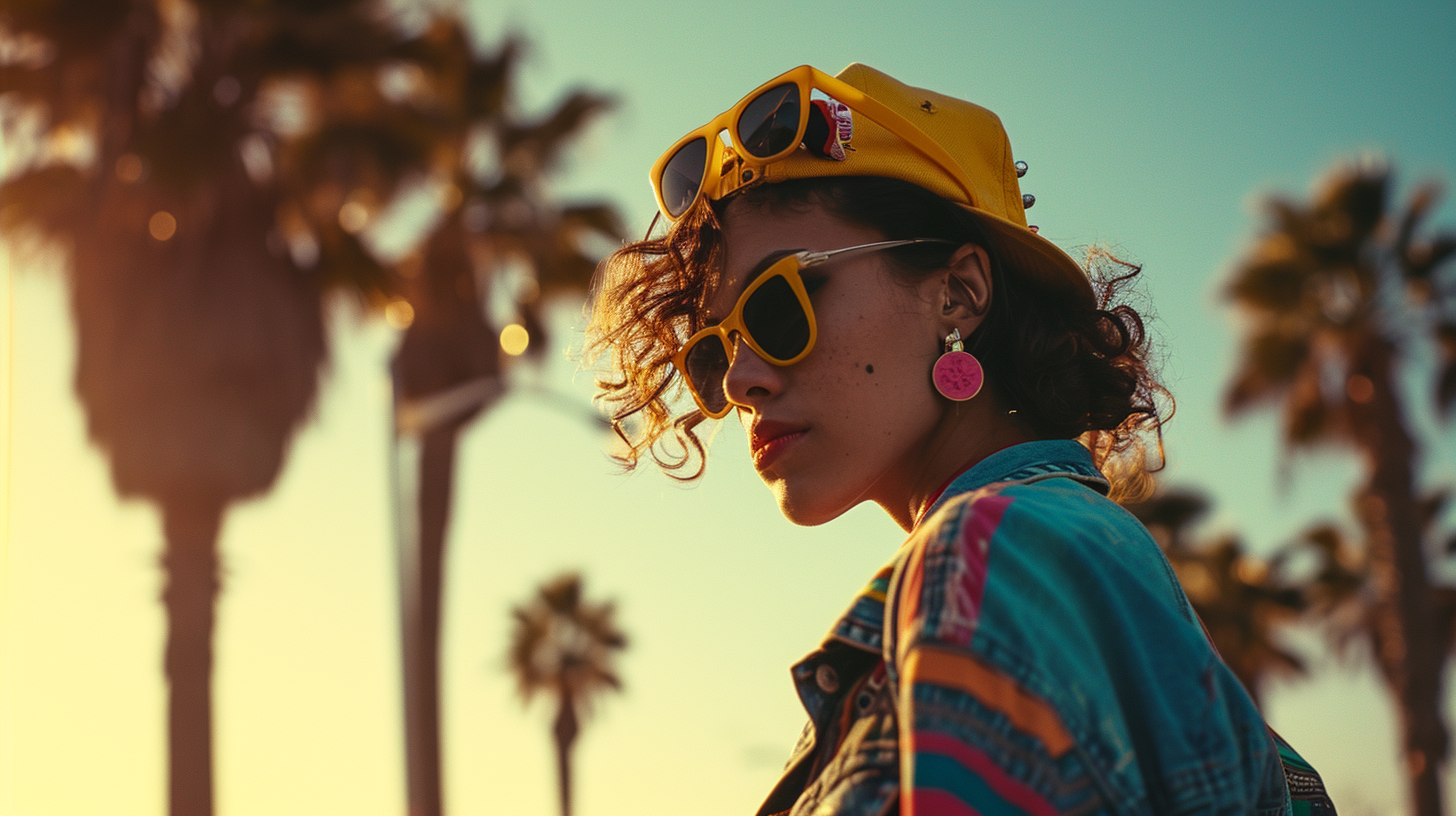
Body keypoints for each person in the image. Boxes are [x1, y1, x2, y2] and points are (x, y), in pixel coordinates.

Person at [586, 63, 1334, 815]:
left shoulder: (991, 550)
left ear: (959, 293)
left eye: (781, 305)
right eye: (714, 351)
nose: (742, 380)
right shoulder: (1064, 560)